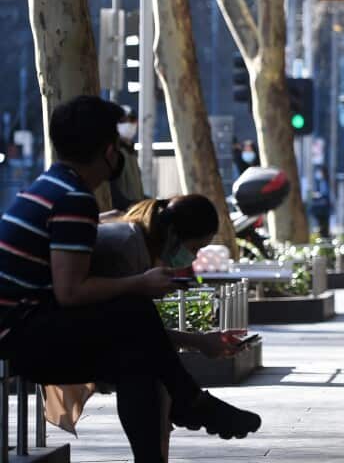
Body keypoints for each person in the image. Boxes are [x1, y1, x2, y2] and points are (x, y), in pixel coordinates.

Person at [0, 96, 260, 463]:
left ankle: (183, 413)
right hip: (20, 340)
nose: (124, 153)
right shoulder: (74, 200)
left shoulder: (48, 186)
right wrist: (140, 283)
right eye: (122, 145)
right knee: (134, 310)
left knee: (135, 359)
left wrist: (196, 341)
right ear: (108, 150)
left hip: (27, 330)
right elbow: (71, 292)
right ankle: (189, 402)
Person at [51, 195, 250, 456]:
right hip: (55, 333)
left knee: (144, 360)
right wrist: (198, 341)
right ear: (173, 234)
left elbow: (139, 329)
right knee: (142, 361)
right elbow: (131, 325)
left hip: (84, 329)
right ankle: (189, 400)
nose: (193, 258)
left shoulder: (137, 244)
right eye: (194, 248)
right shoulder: (128, 246)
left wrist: (200, 341)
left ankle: (188, 401)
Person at [110, 106, 145, 212]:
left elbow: (137, 192)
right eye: (123, 121)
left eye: (132, 120)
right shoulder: (113, 154)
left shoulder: (131, 153)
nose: (128, 124)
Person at [308, 167, 333, 238]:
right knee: (323, 227)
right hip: (324, 209)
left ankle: (325, 241)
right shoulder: (324, 181)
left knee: (323, 228)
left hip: (323, 210)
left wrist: (316, 195)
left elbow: (324, 194)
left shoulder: (324, 182)